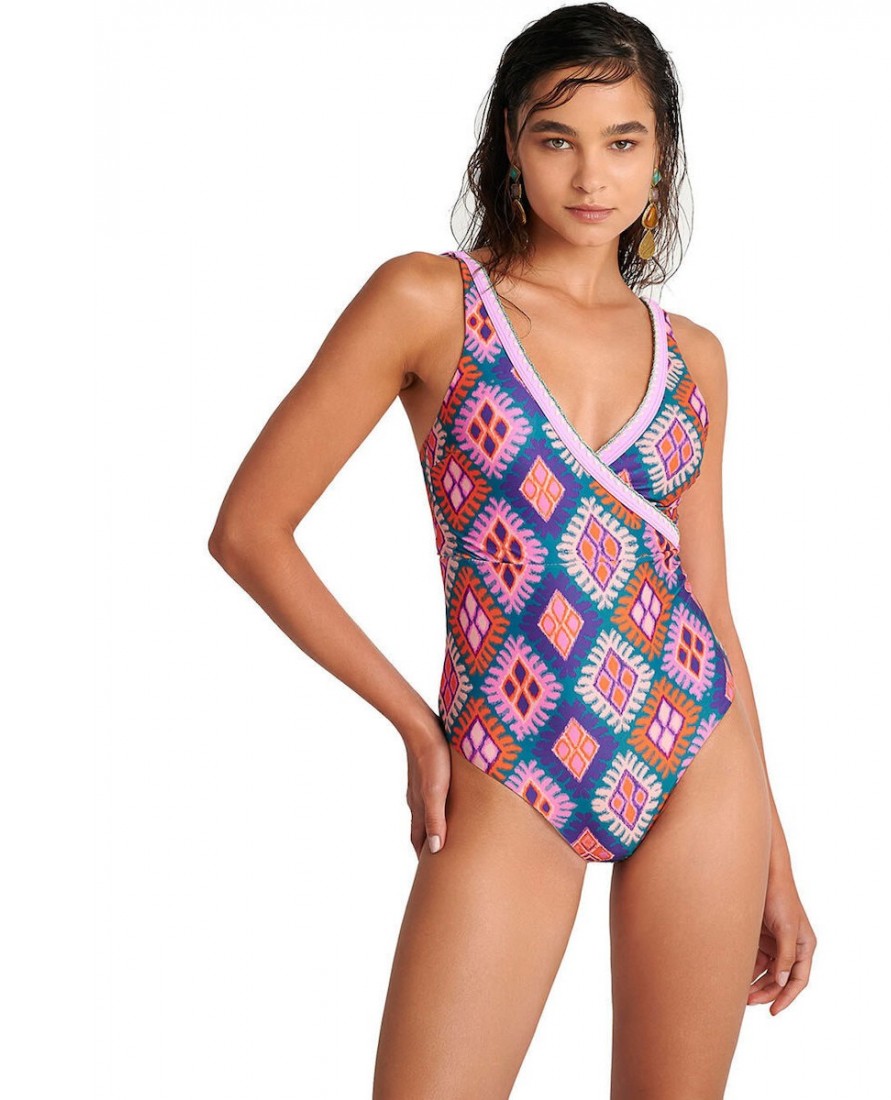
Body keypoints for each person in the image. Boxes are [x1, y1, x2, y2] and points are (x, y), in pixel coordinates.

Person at [209, 3, 816, 1096]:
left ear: (661, 157)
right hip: (510, 752)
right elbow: (250, 531)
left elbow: (711, 606)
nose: (590, 175)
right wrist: (415, 724)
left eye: (622, 141)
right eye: (556, 138)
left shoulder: (695, 358)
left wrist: (774, 850)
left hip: (697, 754)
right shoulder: (429, 301)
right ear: (509, 145)